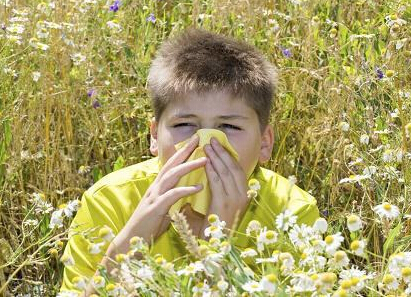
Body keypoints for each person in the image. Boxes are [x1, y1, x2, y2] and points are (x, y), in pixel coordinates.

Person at [59, 28, 319, 295]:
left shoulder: (293, 211)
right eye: (185, 124)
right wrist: (132, 240)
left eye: (228, 126)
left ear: (264, 143)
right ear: (154, 137)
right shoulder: (110, 200)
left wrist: (219, 240)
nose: (206, 142)